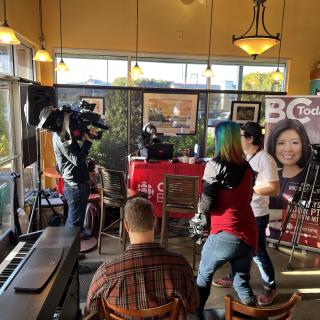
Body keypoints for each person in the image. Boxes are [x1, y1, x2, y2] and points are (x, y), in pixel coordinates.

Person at [85, 197, 199, 316]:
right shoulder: (180, 264)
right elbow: (193, 305)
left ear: (126, 226)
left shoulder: (106, 272)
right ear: (154, 222)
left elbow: (90, 312)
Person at [212, 122, 280, 306]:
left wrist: (250, 188)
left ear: (250, 138)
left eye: (240, 136)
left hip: (257, 213)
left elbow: (274, 189)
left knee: (258, 252)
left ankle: (270, 286)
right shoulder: (242, 157)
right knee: (236, 246)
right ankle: (233, 276)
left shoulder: (265, 159)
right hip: (240, 211)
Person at [194, 121, 258, 317]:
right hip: (248, 232)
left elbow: (206, 205)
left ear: (220, 139)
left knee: (203, 277)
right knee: (241, 282)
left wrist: (197, 212)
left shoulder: (214, 165)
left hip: (225, 233)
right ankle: (254, 315)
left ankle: (195, 314)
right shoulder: (248, 167)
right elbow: (247, 198)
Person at [52, 127, 96, 239]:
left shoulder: (60, 135)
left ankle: (75, 247)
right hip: (75, 187)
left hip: (76, 184)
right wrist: (88, 142)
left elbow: (75, 157)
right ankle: (68, 252)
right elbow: (76, 159)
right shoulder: (62, 138)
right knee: (73, 226)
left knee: (76, 222)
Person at [267, 119, 311, 210]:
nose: (288, 149)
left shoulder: (313, 179)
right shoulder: (269, 177)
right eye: (281, 143)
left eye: (294, 142)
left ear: (304, 145)